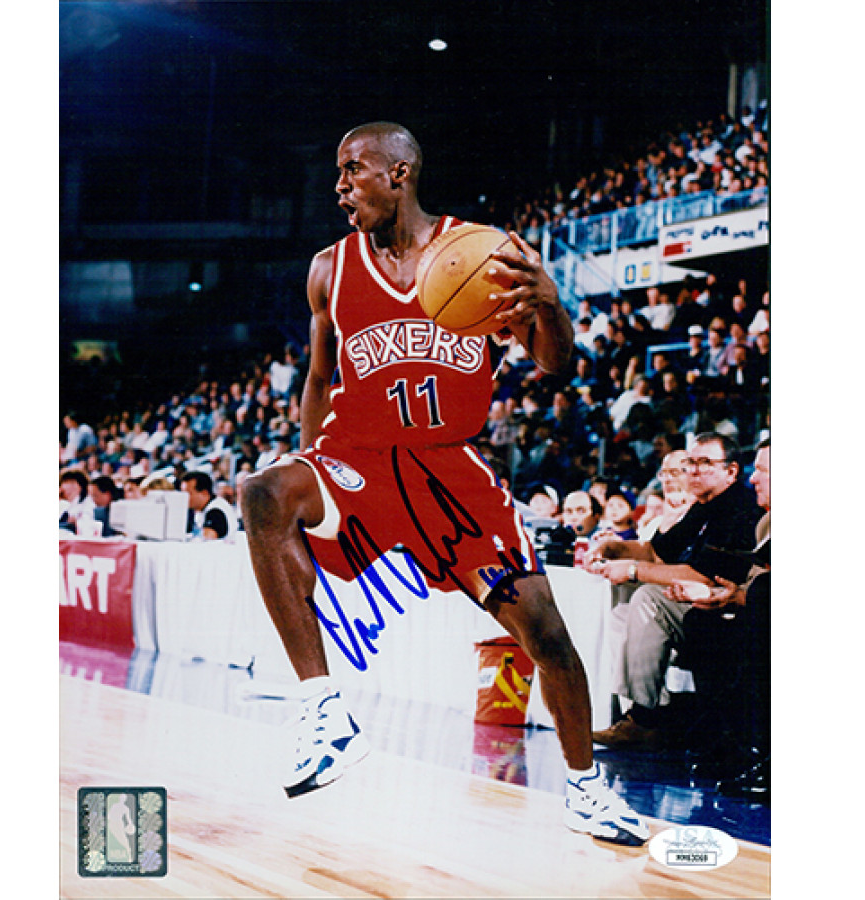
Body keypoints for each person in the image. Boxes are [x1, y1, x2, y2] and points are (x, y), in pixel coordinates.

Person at [239, 122, 648, 845]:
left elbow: (555, 363)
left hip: (449, 468)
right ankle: (324, 712)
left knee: (546, 633)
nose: (339, 186)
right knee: (263, 492)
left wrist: (549, 303)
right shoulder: (330, 269)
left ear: (399, 173)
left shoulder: (483, 253)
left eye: (352, 169)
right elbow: (319, 377)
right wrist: (309, 469)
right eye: (338, 172)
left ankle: (587, 789)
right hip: (360, 461)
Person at [585, 433, 760, 750]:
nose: (693, 470)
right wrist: (614, 547)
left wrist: (633, 570)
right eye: (690, 462)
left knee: (648, 598)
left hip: (728, 607)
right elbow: (657, 552)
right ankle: (647, 708)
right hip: (696, 600)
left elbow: (704, 575)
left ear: (731, 471)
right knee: (622, 613)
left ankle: (645, 719)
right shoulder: (704, 505)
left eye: (704, 463)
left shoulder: (739, 508)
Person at [670, 439, 771, 796]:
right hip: (759, 607)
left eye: (763, 471)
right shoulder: (766, 522)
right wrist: (732, 595)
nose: (753, 478)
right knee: (703, 622)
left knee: (743, 632)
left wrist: (739, 596)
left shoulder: (744, 511)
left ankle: (757, 750)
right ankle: (728, 738)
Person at [180, 470, 239, 542]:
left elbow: (208, 538)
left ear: (204, 493)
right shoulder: (198, 510)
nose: (184, 497)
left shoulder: (216, 510)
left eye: (188, 493)